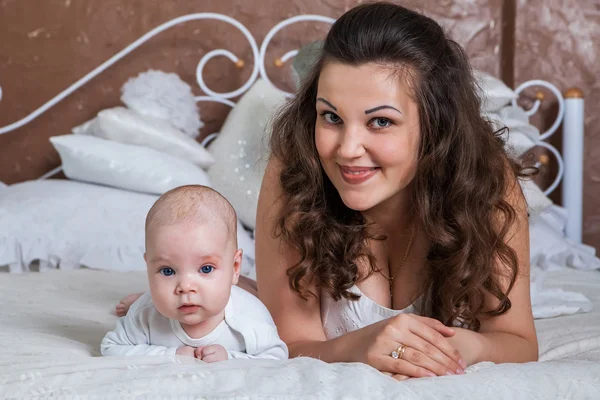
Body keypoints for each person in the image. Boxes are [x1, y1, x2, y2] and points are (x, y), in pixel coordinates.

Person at [254, 1, 537, 380]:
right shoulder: (295, 170)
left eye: (381, 121)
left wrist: (458, 348)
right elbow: (290, 343)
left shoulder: (485, 179)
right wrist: (358, 346)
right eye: (331, 117)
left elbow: (518, 340)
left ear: (435, 126)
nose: (347, 148)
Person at [102, 185, 288, 361]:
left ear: (235, 268)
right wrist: (171, 355)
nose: (185, 287)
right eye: (167, 271)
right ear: (149, 268)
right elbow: (111, 347)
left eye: (206, 269)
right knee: (147, 302)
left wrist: (229, 357)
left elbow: (276, 356)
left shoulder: (249, 314)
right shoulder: (144, 314)